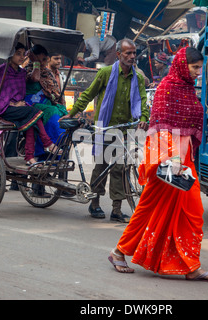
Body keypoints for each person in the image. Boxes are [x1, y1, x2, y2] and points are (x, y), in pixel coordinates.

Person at [107, 47, 208, 282]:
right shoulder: (166, 88)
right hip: (167, 161)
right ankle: (119, 252)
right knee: (147, 210)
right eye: (195, 67)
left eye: (201, 67)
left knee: (193, 213)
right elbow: (159, 127)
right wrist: (172, 159)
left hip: (185, 160)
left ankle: (191, 266)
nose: (199, 72)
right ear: (182, 65)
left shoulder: (188, 90)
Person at [61, 38, 149, 223]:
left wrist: (142, 119)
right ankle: (94, 203)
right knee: (101, 166)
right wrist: (73, 113)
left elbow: (142, 101)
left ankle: (116, 209)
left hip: (124, 129)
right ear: (118, 55)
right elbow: (88, 94)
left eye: (134, 53)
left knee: (119, 169)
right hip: (104, 127)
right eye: (128, 53)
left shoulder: (138, 77)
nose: (132, 57)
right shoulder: (106, 73)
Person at [0, 43, 58, 166]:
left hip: (17, 107)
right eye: (18, 53)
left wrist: (18, 103)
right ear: (10, 54)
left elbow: (21, 91)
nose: (21, 57)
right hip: (2, 108)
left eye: (23, 54)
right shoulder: (1, 71)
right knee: (36, 112)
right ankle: (47, 143)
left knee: (31, 122)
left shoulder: (21, 73)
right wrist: (12, 103)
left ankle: (29, 157)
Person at [25, 45, 68, 158]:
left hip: (46, 100)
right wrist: (36, 64)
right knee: (52, 111)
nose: (42, 63)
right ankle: (50, 144)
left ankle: (63, 142)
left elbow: (54, 91)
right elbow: (35, 78)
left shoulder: (48, 73)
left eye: (44, 60)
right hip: (30, 102)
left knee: (62, 110)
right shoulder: (27, 70)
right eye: (39, 60)